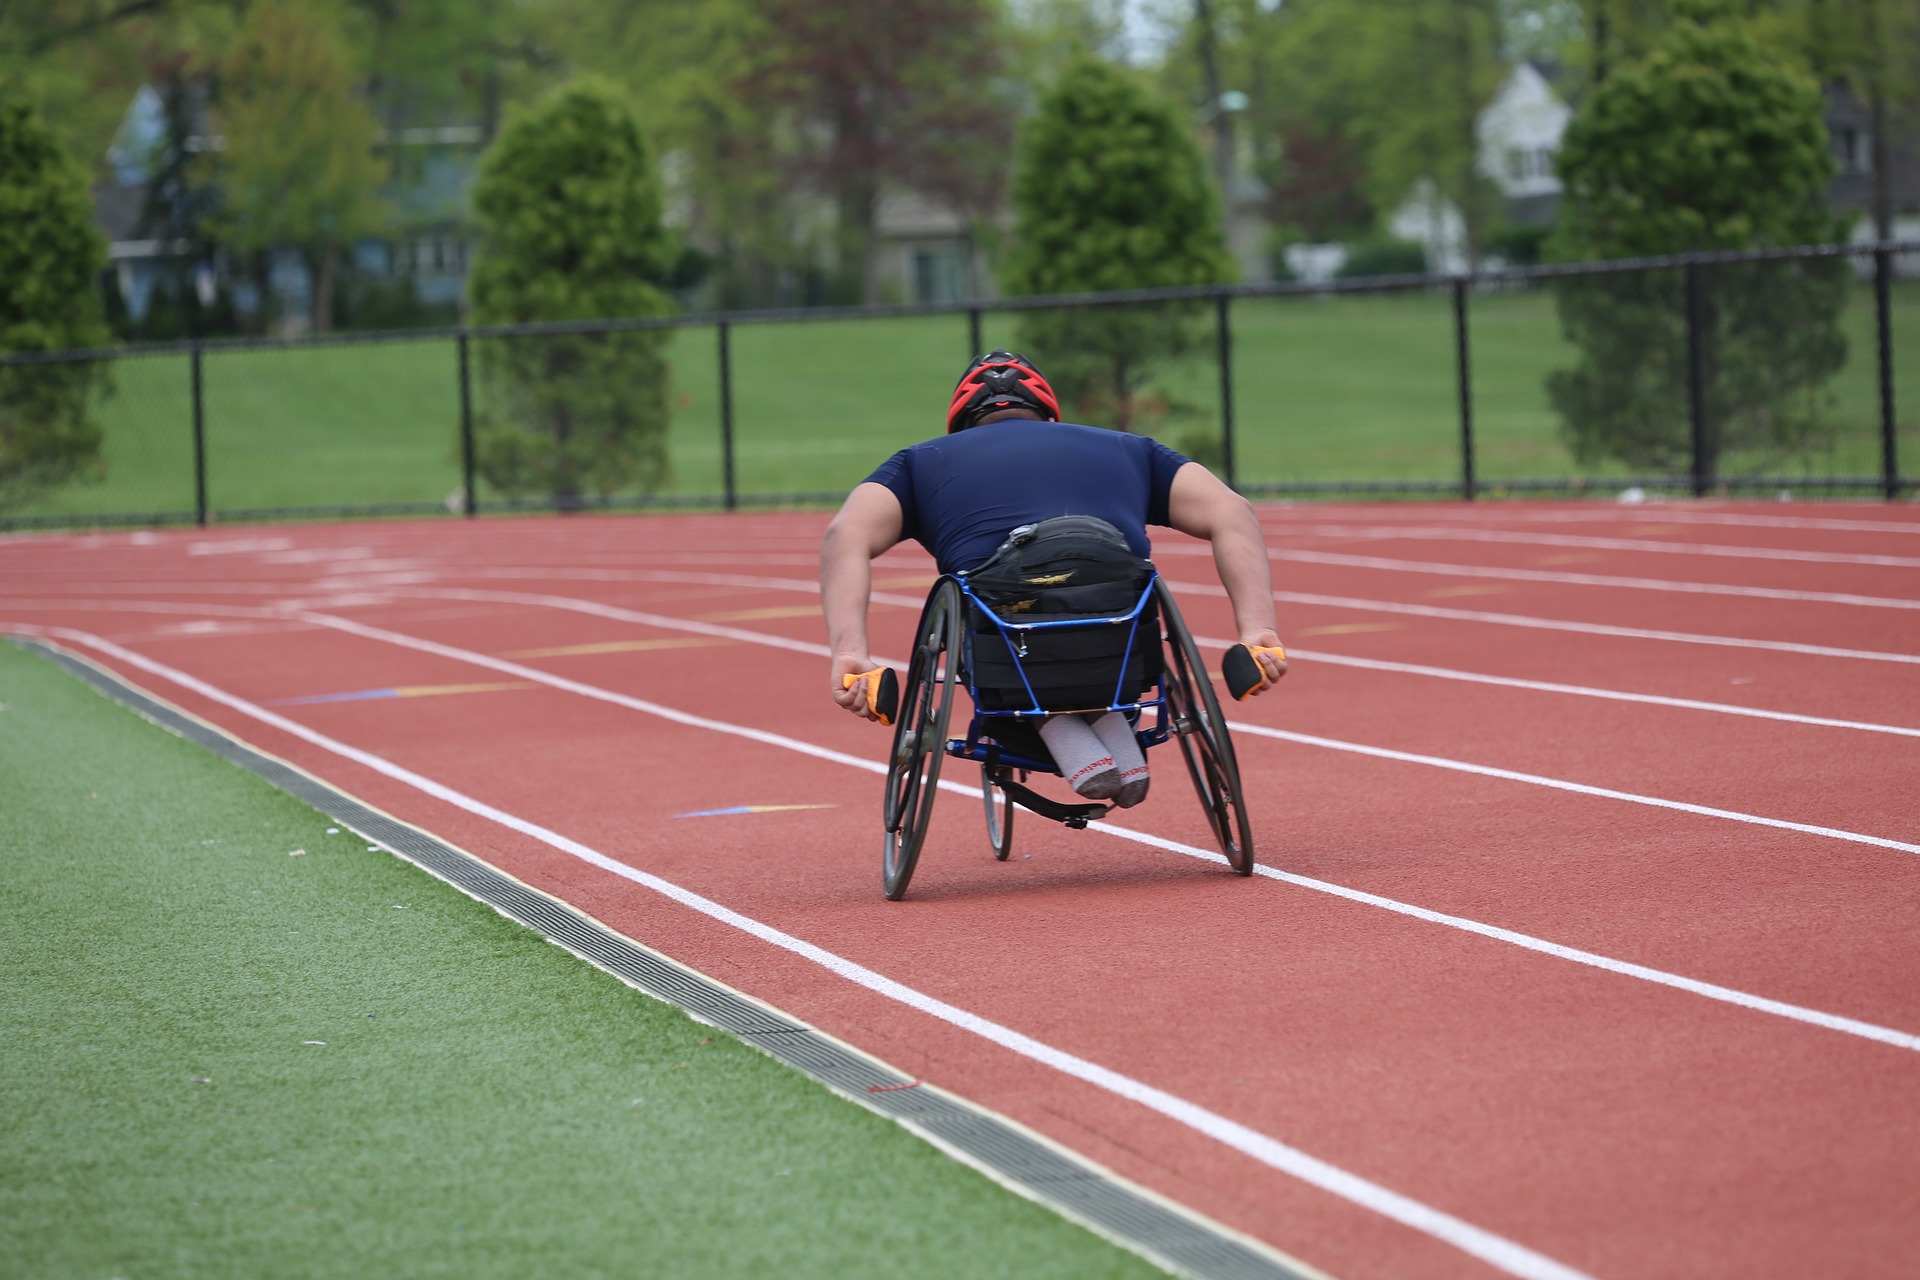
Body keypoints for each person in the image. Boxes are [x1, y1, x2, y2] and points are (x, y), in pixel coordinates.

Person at [820, 350, 1287, 806]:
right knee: (1102, 591)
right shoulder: (1129, 448)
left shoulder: (920, 462)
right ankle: (1108, 726)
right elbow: (1233, 511)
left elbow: (845, 535)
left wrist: (850, 652)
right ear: (1050, 417)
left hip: (1007, 652)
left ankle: (1058, 730)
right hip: (1121, 645)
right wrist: (1257, 631)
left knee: (980, 600)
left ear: (959, 426)